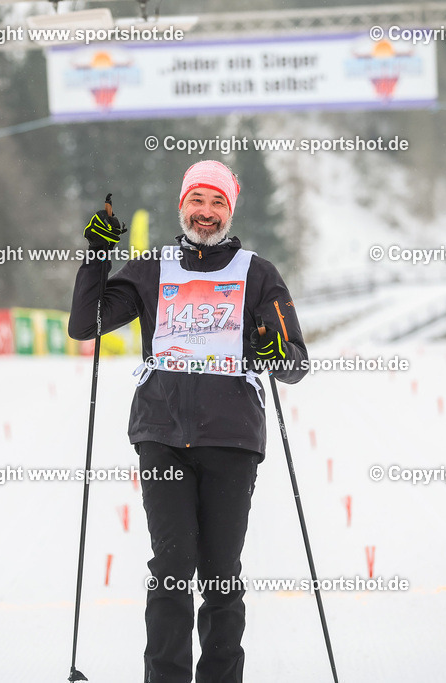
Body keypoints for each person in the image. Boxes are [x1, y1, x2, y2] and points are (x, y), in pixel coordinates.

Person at [68, 160, 308, 683]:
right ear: (182, 205)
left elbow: (295, 365)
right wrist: (98, 257)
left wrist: (273, 347)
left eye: (217, 202)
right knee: (172, 573)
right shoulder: (153, 268)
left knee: (221, 578)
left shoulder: (257, 272)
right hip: (162, 438)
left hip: (231, 441)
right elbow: (86, 324)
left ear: (231, 209)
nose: (206, 213)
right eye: (198, 201)